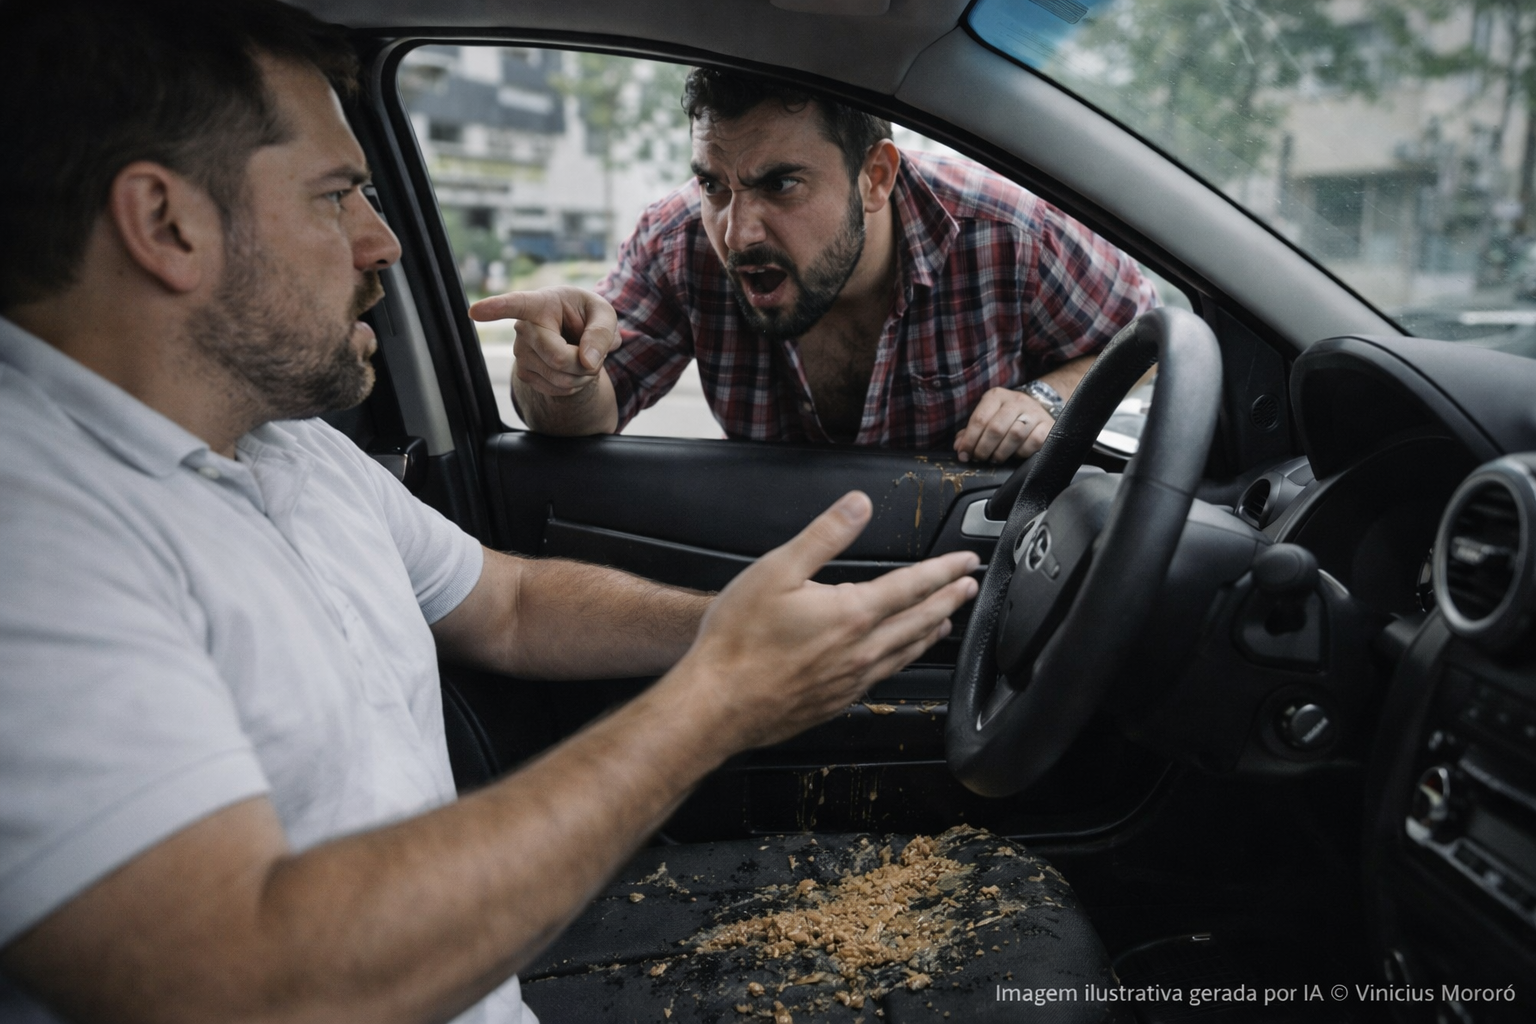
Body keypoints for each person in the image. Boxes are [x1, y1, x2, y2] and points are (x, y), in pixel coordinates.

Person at [0, 3, 981, 1023]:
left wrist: (729, 628)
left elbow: (506, 602)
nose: (382, 244)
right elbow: (245, 979)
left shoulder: (287, 445)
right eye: (338, 197)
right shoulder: (34, 536)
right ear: (168, 225)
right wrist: (717, 699)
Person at [475, 69, 1157, 463]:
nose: (736, 233)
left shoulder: (1007, 232)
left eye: (781, 185)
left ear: (876, 177)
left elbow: (1148, 345)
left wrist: (1046, 399)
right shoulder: (677, 243)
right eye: (714, 185)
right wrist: (559, 377)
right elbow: (593, 406)